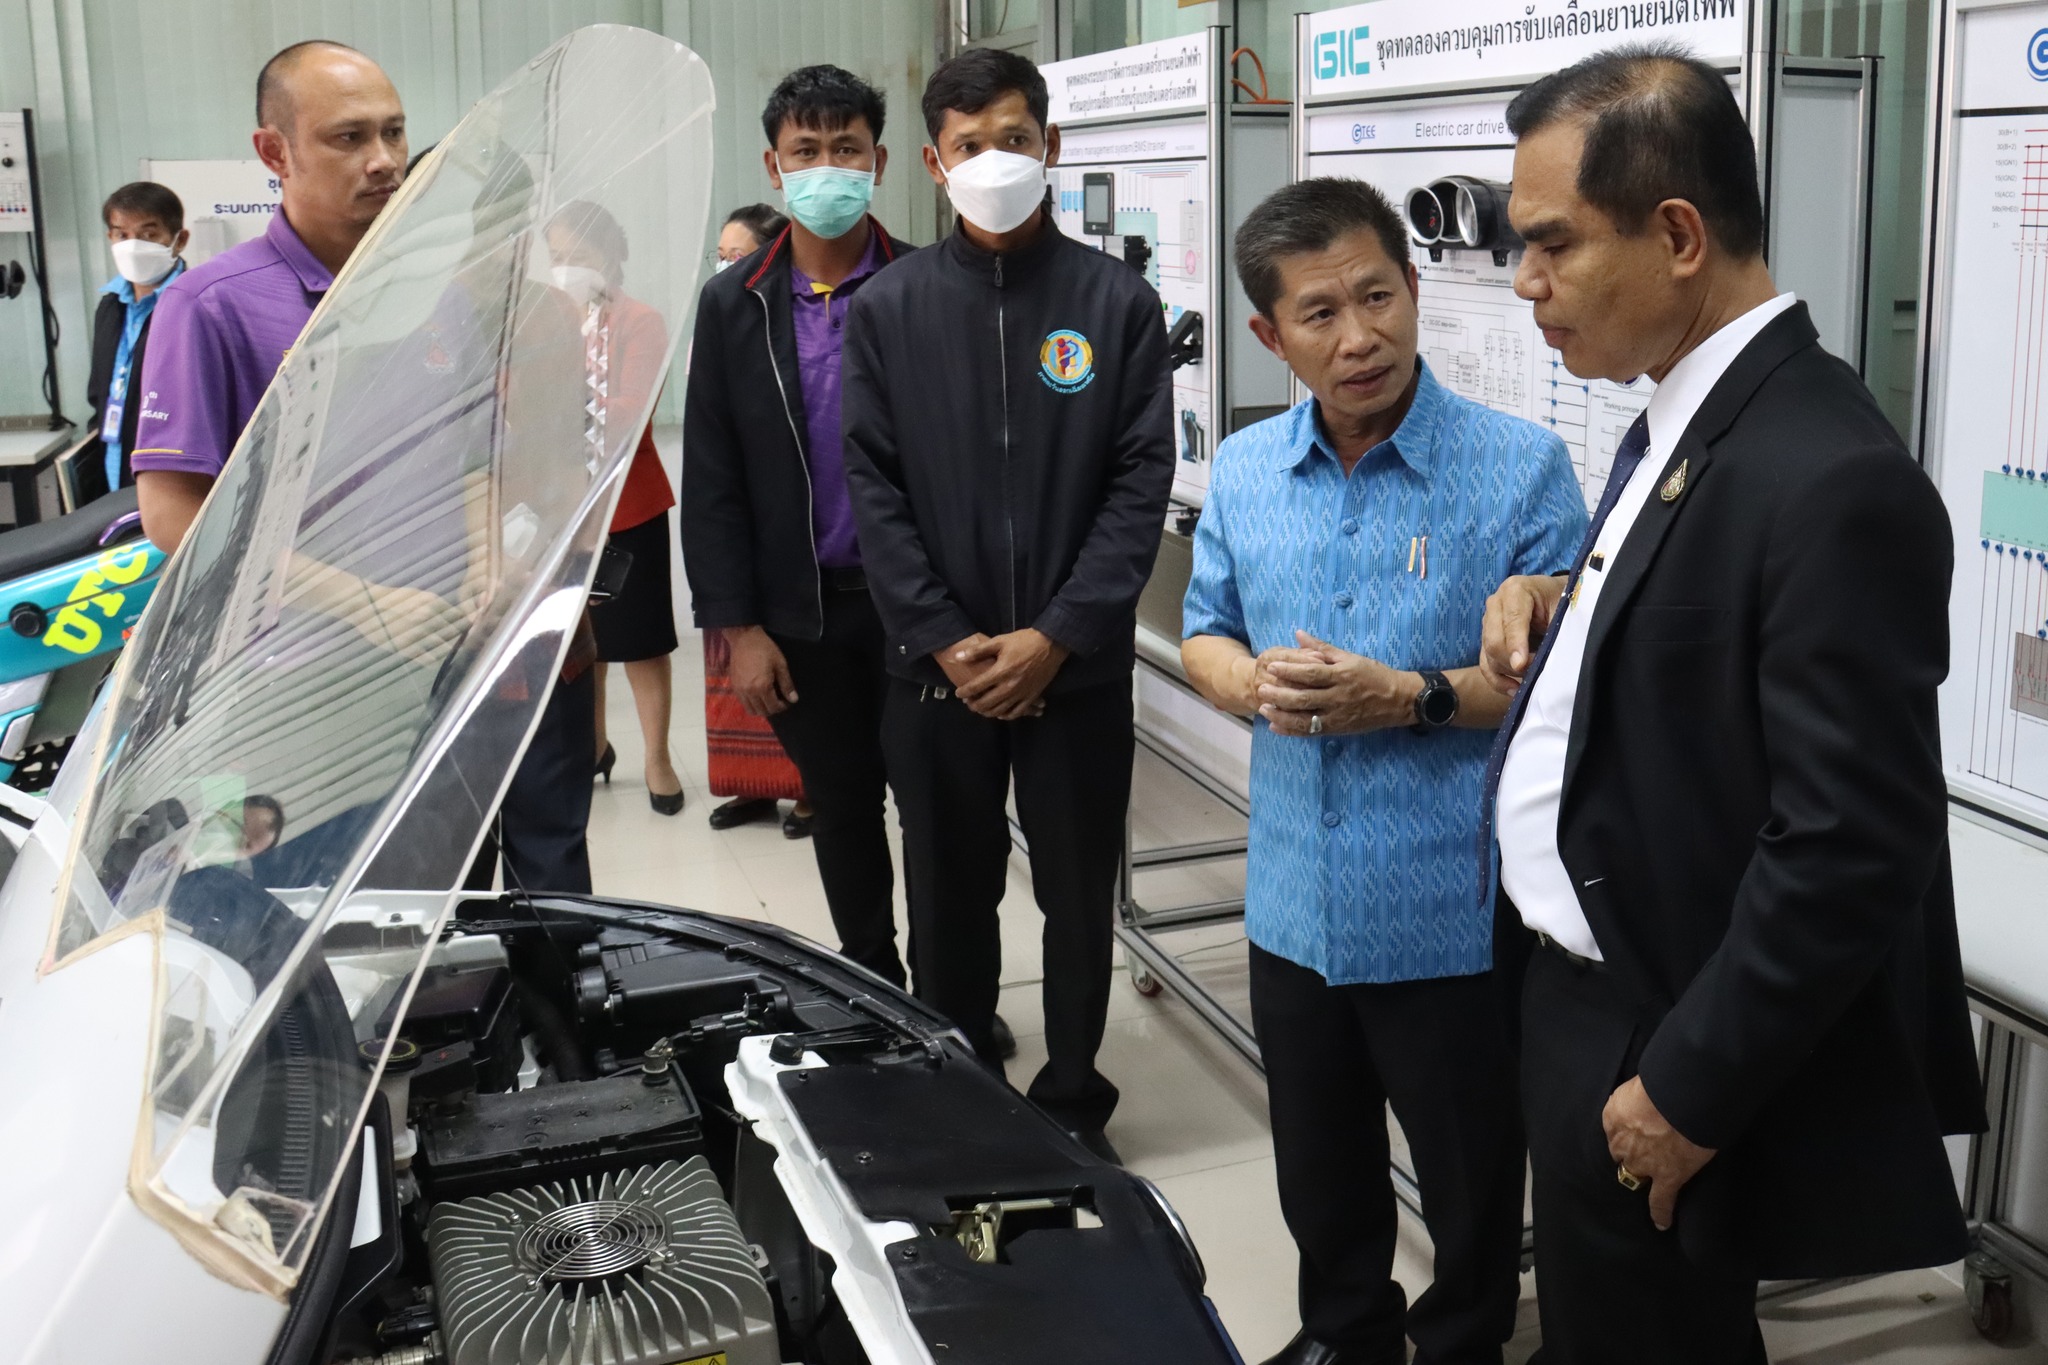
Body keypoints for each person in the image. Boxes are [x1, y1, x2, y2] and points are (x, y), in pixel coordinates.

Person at [1476, 46, 1982, 1363]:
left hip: (1660, 1035)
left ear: (1677, 235)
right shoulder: (1693, 413)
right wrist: (1565, 601)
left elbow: (1850, 841)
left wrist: (1686, 1088)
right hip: (1586, 990)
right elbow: (1705, 620)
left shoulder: (1827, 474)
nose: (1523, 282)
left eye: (1551, 243)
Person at [1181, 178, 1586, 1365]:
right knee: (1318, 1160)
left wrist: (1406, 696)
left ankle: (1462, 1341)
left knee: (1468, 1169)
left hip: (1449, 905)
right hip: (1291, 894)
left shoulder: (1518, 468)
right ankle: (1344, 1336)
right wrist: (1247, 683)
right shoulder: (1246, 470)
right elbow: (1204, 629)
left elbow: (1561, 687)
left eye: (1375, 296)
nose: (1358, 337)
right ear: (1269, 336)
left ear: (1412, 289)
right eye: (1319, 314)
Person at [840, 47, 1174, 1159]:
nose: (995, 161)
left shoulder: (1116, 305)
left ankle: (1073, 1093)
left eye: (1015, 139)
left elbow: (1138, 482)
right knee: (947, 894)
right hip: (935, 672)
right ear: (934, 164)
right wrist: (944, 638)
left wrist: (1057, 636)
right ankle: (962, 1088)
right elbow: (873, 486)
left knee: (1076, 897)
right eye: (970, 145)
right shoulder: (887, 309)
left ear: (1052, 147)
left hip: (1075, 670)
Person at [683, 66, 918, 984]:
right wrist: (738, 629)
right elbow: (713, 477)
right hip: (800, 615)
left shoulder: (922, 285)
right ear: (774, 166)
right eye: (806, 150)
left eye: (846, 149)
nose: (827, 168)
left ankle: (951, 996)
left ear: (879, 162)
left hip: (920, 609)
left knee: (937, 813)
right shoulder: (733, 301)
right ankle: (875, 984)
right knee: (843, 808)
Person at [134, 39, 406, 551]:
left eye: (393, 132)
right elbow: (171, 514)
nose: (384, 160)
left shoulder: (434, 284)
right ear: (275, 152)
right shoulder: (209, 305)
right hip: (304, 605)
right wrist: (350, 593)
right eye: (349, 137)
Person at [549, 204, 686, 816]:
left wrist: (559, 399)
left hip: (629, 504)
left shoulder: (639, 320)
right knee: (583, 643)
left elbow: (630, 414)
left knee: (643, 642)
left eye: (577, 256)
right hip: (562, 508)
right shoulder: (545, 321)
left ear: (607, 255)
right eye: (556, 258)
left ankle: (657, 759)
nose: (566, 269)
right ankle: (595, 746)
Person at [696, 202, 815, 837]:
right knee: (737, 675)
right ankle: (751, 787)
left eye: (736, 255)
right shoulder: (721, 311)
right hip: (736, 543)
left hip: (795, 549)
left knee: (795, 687)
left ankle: (807, 791)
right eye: (719, 256)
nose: (725, 267)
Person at [79, 182, 187, 505]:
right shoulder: (109, 305)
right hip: (113, 475)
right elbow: (99, 394)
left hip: (171, 481)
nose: (133, 246)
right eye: (122, 235)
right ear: (110, 238)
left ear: (179, 240)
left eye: (148, 235)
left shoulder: (195, 306)